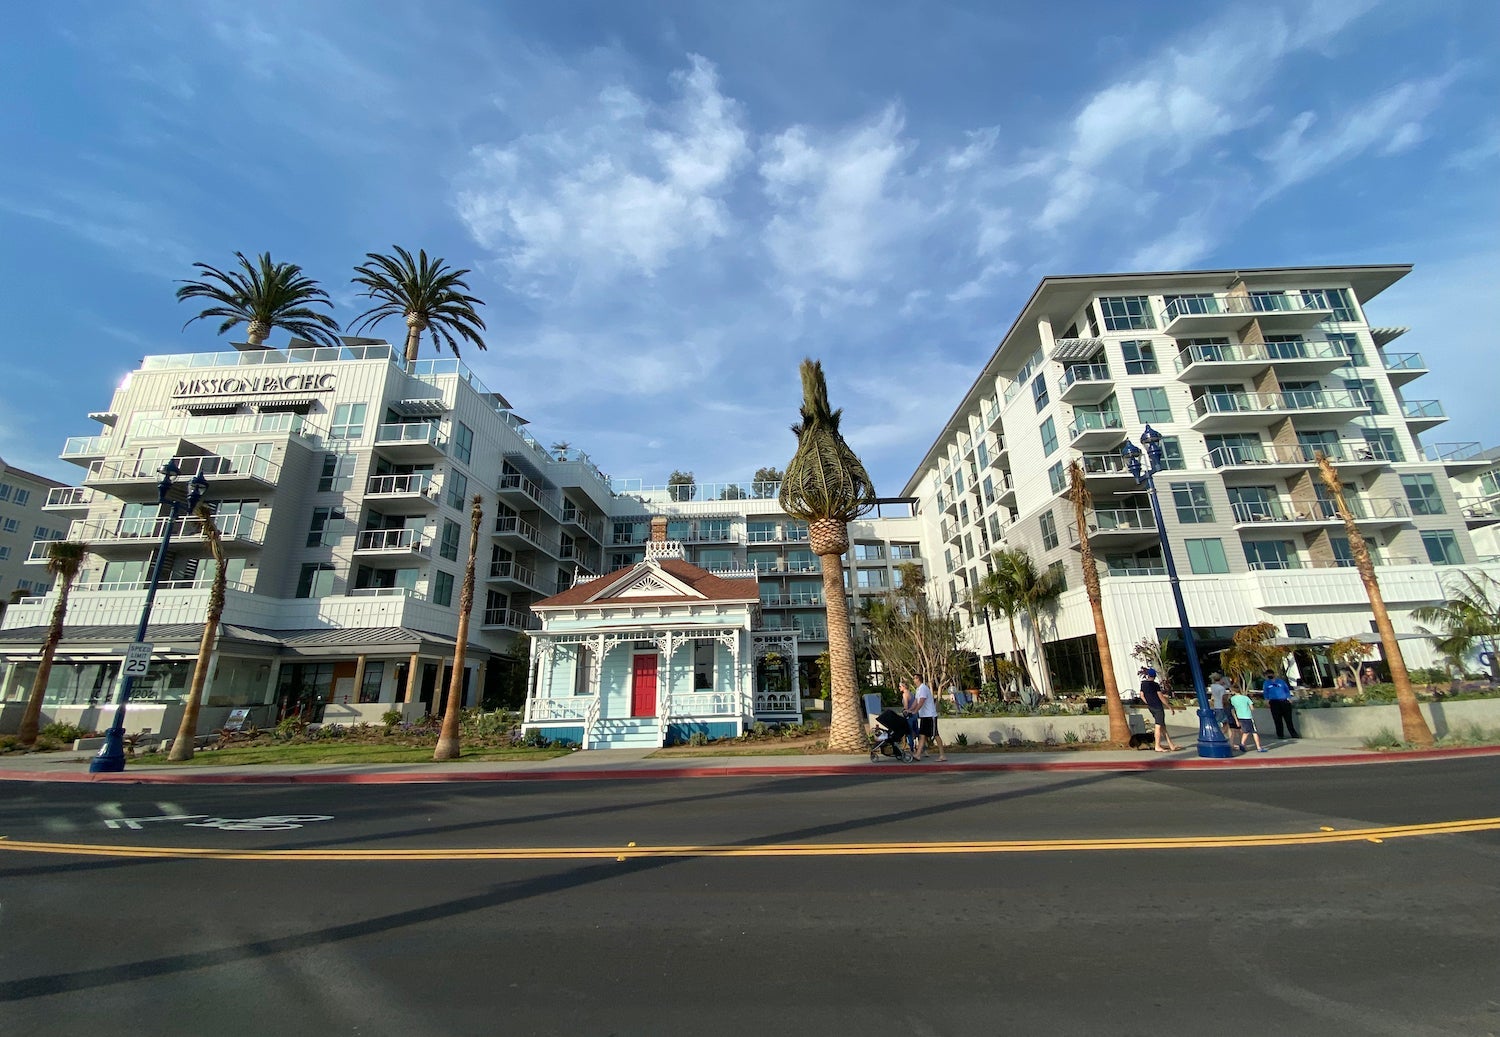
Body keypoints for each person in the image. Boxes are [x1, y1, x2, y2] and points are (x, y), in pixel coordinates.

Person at [908, 674, 948, 762]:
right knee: (922, 735)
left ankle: (942, 755)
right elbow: (916, 701)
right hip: (924, 716)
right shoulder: (918, 689)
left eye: (914, 679)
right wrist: (910, 710)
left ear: (918, 679)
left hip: (930, 716)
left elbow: (921, 701)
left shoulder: (923, 688)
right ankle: (918, 755)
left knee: (935, 734)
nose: (913, 680)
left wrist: (915, 711)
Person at [1139, 667, 1178, 752]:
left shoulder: (1143, 684)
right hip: (1157, 707)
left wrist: (1148, 702)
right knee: (1158, 726)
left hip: (1151, 707)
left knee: (1162, 726)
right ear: (1154, 676)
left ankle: (1171, 745)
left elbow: (1141, 695)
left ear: (1148, 675)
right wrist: (1169, 706)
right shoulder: (1155, 685)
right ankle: (1157, 746)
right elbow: (1161, 697)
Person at [1261, 668, 1299, 739]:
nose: (1269, 676)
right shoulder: (1266, 683)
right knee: (1277, 719)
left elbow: (1286, 690)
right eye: (1267, 675)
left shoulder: (1281, 681)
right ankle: (1280, 735)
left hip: (1284, 701)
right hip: (1274, 702)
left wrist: (1289, 698)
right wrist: (1267, 700)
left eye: (1270, 674)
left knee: (1288, 719)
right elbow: (1265, 692)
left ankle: (1293, 734)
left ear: (1273, 674)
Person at [1229, 684, 1265, 752]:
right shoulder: (1245, 698)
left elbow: (1232, 709)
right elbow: (1252, 708)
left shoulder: (1232, 699)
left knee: (1246, 731)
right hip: (1248, 716)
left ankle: (1246, 745)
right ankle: (1255, 746)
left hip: (1240, 716)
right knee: (1253, 732)